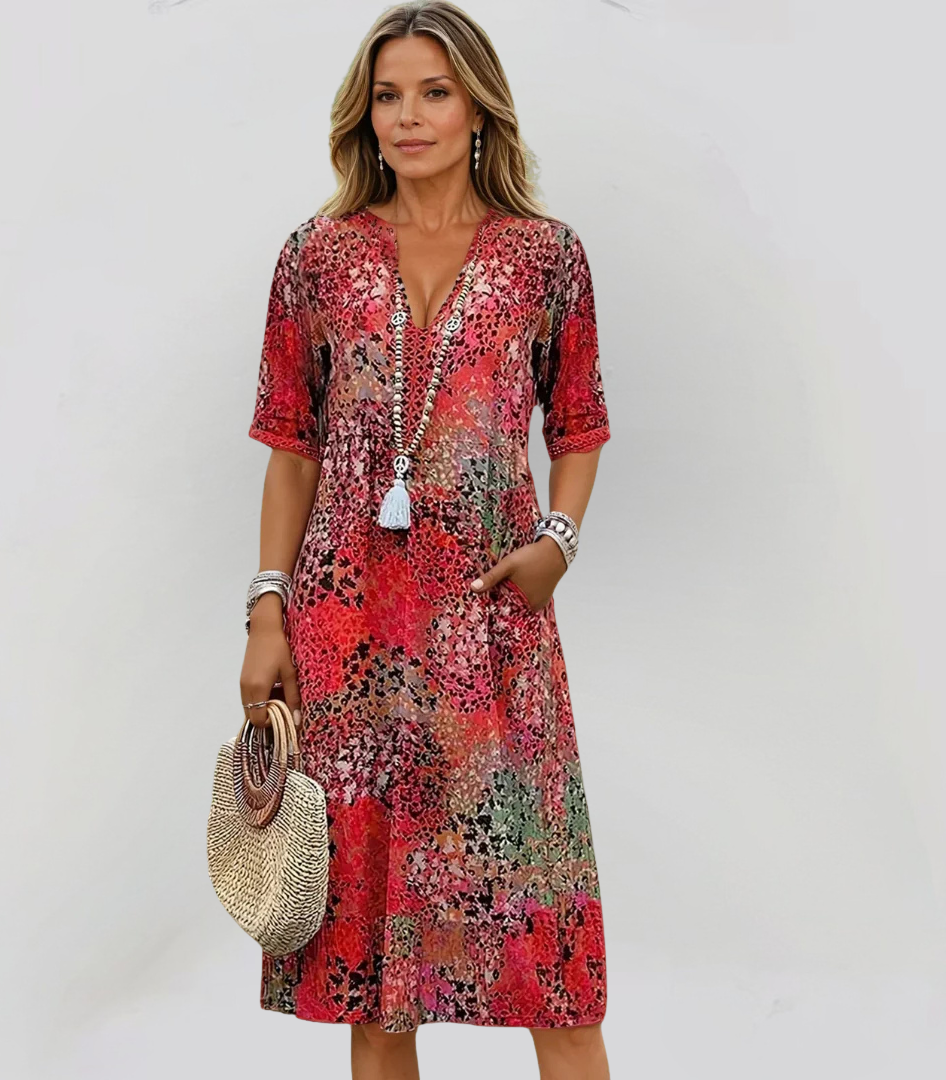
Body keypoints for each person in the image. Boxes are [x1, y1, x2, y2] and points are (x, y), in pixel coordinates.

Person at [239, 4, 612, 1078]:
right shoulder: (318, 257)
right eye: (388, 96)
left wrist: (558, 542)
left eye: (434, 93)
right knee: (375, 984)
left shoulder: (546, 258)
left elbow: (579, 425)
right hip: (346, 634)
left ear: (478, 107)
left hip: (492, 634)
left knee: (549, 967)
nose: (408, 117)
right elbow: (292, 448)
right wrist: (266, 610)